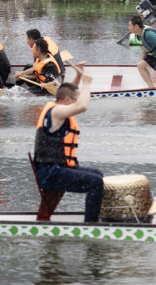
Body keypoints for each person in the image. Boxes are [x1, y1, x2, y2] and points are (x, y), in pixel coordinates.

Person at [33, 70, 104, 222]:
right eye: (75, 101)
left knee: (98, 174)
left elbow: (68, 93)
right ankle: (91, 225)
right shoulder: (57, 112)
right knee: (96, 183)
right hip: (51, 173)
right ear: (67, 100)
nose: (77, 103)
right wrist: (86, 83)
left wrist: (78, 77)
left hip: (56, 168)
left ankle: (100, 215)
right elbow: (82, 106)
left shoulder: (57, 107)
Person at [127, 15, 156, 88]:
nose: (128, 27)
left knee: (155, 77)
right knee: (140, 65)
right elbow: (145, 49)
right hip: (153, 56)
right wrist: (142, 60)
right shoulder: (136, 36)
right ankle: (151, 89)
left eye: (129, 25)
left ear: (136, 26)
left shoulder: (148, 34)